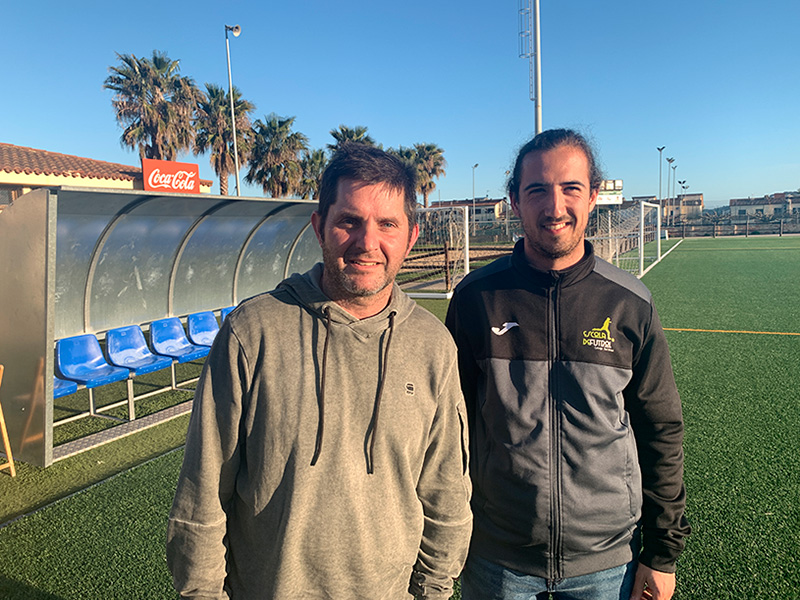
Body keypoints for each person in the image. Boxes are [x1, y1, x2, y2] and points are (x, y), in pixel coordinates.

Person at [167, 142, 472, 600]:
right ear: (319, 228)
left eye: (387, 224)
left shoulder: (432, 346)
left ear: (410, 237)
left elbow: (445, 490)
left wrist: (432, 590)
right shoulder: (253, 332)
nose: (367, 242)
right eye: (349, 220)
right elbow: (203, 492)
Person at [445, 129, 690, 600]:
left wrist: (661, 554)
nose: (554, 207)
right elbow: (447, 429)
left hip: (607, 563)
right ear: (514, 200)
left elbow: (661, 427)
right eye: (537, 190)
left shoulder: (630, 302)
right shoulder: (476, 300)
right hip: (496, 561)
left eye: (570, 188)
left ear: (594, 196)